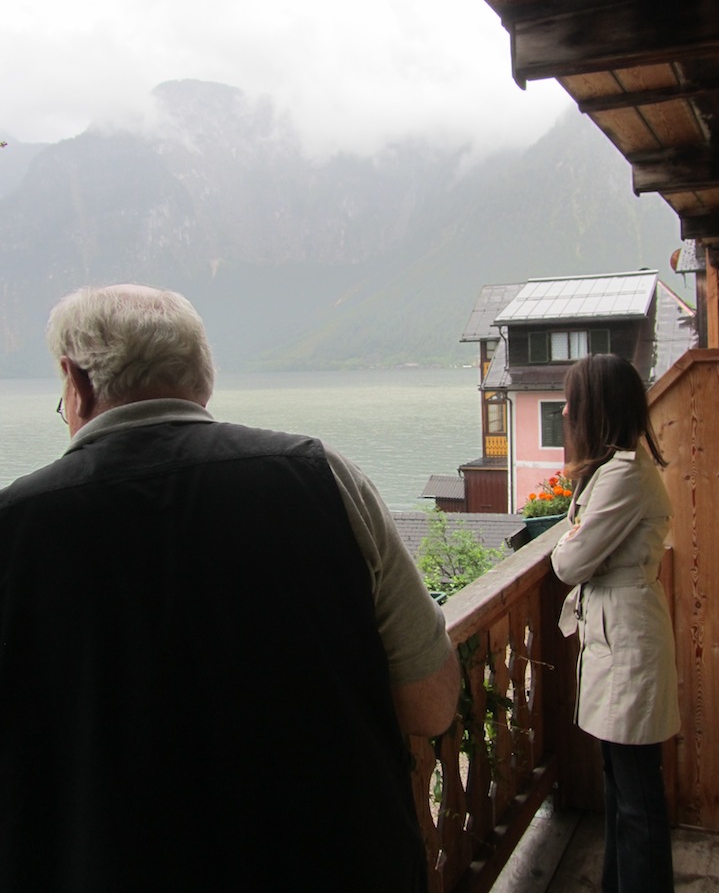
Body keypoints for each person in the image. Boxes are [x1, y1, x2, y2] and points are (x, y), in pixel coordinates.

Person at [0, 283, 459, 893]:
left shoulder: (14, 528)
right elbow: (431, 704)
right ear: (202, 382)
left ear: (76, 382)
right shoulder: (324, 479)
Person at [551, 353, 679, 893]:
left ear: (594, 409)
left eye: (571, 402)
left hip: (627, 644)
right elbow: (579, 548)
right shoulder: (612, 473)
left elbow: (568, 562)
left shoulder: (623, 476)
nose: (563, 412)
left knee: (636, 798)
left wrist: (573, 543)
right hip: (615, 638)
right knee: (619, 788)